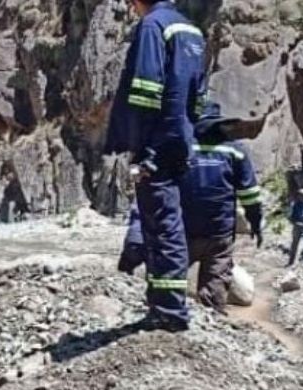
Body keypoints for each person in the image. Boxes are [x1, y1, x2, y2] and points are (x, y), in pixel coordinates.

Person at [104, 0, 206, 332]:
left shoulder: (153, 26)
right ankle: (166, 306)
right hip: (180, 141)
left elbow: (146, 91)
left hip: (158, 144)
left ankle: (168, 312)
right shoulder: (191, 30)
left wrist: (144, 149)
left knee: (161, 228)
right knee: (170, 224)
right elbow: (198, 98)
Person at [179, 101, 263, 313]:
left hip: (183, 230)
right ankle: (212, 322)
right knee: (215, 283)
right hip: (219, 233)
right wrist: (255, 222)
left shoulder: (180, 146)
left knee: (172, 276)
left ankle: (170, 316)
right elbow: (250, 194)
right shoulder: (235, 151)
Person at [287, 146, 303, 267]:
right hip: (300, 206)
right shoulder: (295, 171)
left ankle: (293, 262)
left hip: (301, 206)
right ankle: (292, 262)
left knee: (299, 233)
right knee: (298, 232)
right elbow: (291, 192)